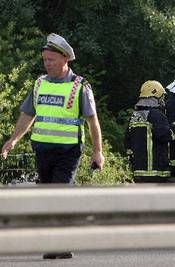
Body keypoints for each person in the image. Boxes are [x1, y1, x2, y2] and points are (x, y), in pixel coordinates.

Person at [1, 33, 105, 259]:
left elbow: (92, 121)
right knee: (46, 196)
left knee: (59, 193)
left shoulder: (80, 86)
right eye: (44, 60)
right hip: (43, 149)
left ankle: (59, 243)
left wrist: (97, 152)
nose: (47, 64)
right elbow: (28, 115)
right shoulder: (40, 84)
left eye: (51, 60)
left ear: (65, 59)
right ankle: (56, 243)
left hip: (68, 151)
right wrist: (13, 140)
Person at [125, 80, 172, 183]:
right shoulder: (157, 115)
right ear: (156, 97)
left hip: (138, 172)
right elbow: (165, 136)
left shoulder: (134, 116)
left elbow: (127, 142)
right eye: (161, 97)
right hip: (156, 172)